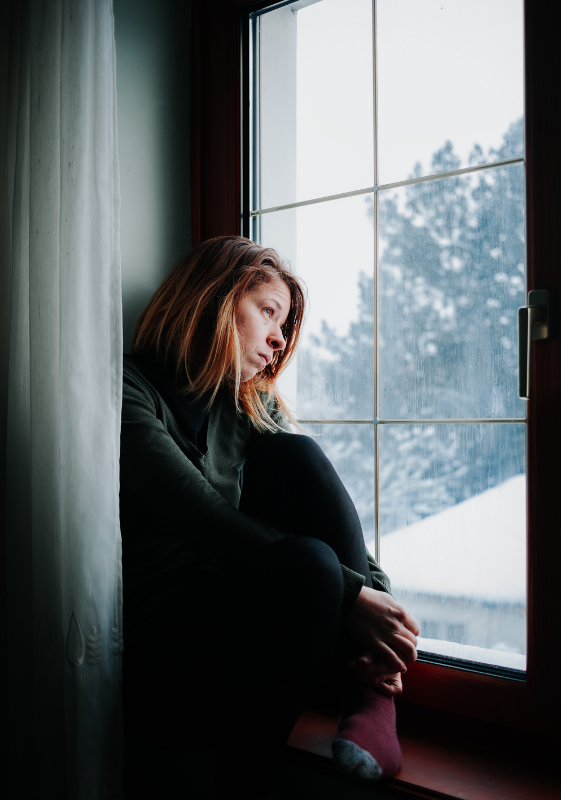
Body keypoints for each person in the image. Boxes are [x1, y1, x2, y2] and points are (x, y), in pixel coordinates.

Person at [120, 236, 420, 799]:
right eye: (269, 312)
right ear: (213, 300)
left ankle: (371, 691)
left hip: (252, 649)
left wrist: (375, 598)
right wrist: (352, 597)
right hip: (163, 663)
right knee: (309, 563)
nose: (280, 340)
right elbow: (201, 516)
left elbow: (324, 501)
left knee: (297, 455)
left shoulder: (249, 405)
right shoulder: (124, 389)